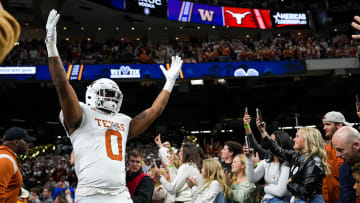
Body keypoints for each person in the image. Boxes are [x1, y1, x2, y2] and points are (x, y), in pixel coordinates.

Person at [45, 9, 183, 203]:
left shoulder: (123, 120)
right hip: (90, 194)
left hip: (119, 193)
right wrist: (51, 46)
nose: (110, 99)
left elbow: (155, 111)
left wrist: (169, 83)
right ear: (92, 95)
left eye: (113, 95)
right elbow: (62, 86)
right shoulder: (81, 113)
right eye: (105, 94)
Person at [258, 119, 330, 203]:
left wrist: (289, 184)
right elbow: (278, 150)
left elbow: (305, 192)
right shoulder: (297, 156)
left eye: (297, 136)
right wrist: (263, 133)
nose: (294, 139)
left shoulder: (313, 161)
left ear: (308, 140)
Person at [243, 112, 293, 202]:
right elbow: (251, 179)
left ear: (281, 144)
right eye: (269, 140)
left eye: (273, 141)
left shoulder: (287, 163)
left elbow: (280, 191)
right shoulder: (267, 160)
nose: (270, 144)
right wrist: (249, 158)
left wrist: (264, 188)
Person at [322, 111, 351, 203]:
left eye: (328, 124)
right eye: (324, 125)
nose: (324, 128)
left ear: (339, 125)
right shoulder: (327, 148)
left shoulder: (350, 147)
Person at [0, 127, 35, 202]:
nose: (28, 144)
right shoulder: (6, 159)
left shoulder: (5, 156)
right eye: (26, 141)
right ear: (16, 142)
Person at [333, 126, 360, 203]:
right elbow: (346, 198)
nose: (337, 155)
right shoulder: (345, 168)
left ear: (356, 145)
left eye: (340, 150)